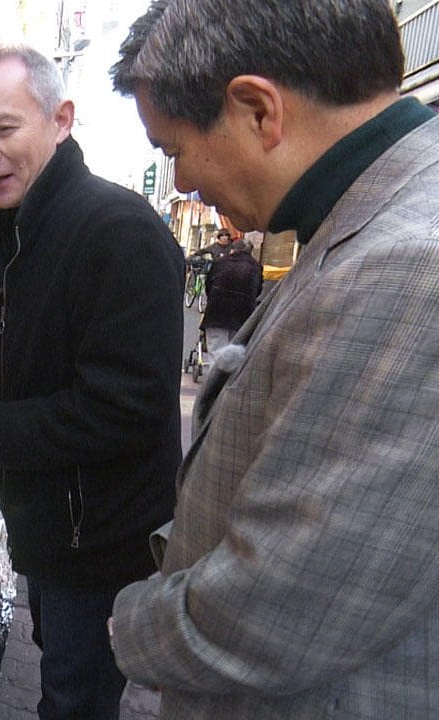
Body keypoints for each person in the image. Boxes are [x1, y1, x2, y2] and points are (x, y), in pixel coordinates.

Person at [109, 1, 439, 717]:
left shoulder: (411, 265)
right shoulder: (365, 221)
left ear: (258, 110)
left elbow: (283, 611)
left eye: (173, 150)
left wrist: (127, 623)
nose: (182, 183)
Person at [0, 45, 185, 720]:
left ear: (60, 119)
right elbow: (34, 365)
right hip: (48, 528)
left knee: (74, 698)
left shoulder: (117, 230)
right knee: (60, 671)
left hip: (97, 542)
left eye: (5, 128)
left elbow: (121, 408)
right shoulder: (20, 234)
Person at [200, 239, 262, 357]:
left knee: (217, 350)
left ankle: (216, 374)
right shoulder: (256, 267)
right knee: (236, 353)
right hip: (243, 314)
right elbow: (257, 290)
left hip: (217, 311)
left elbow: (209, 286)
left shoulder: (220, 262)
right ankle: (230, 375)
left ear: (232, 250)